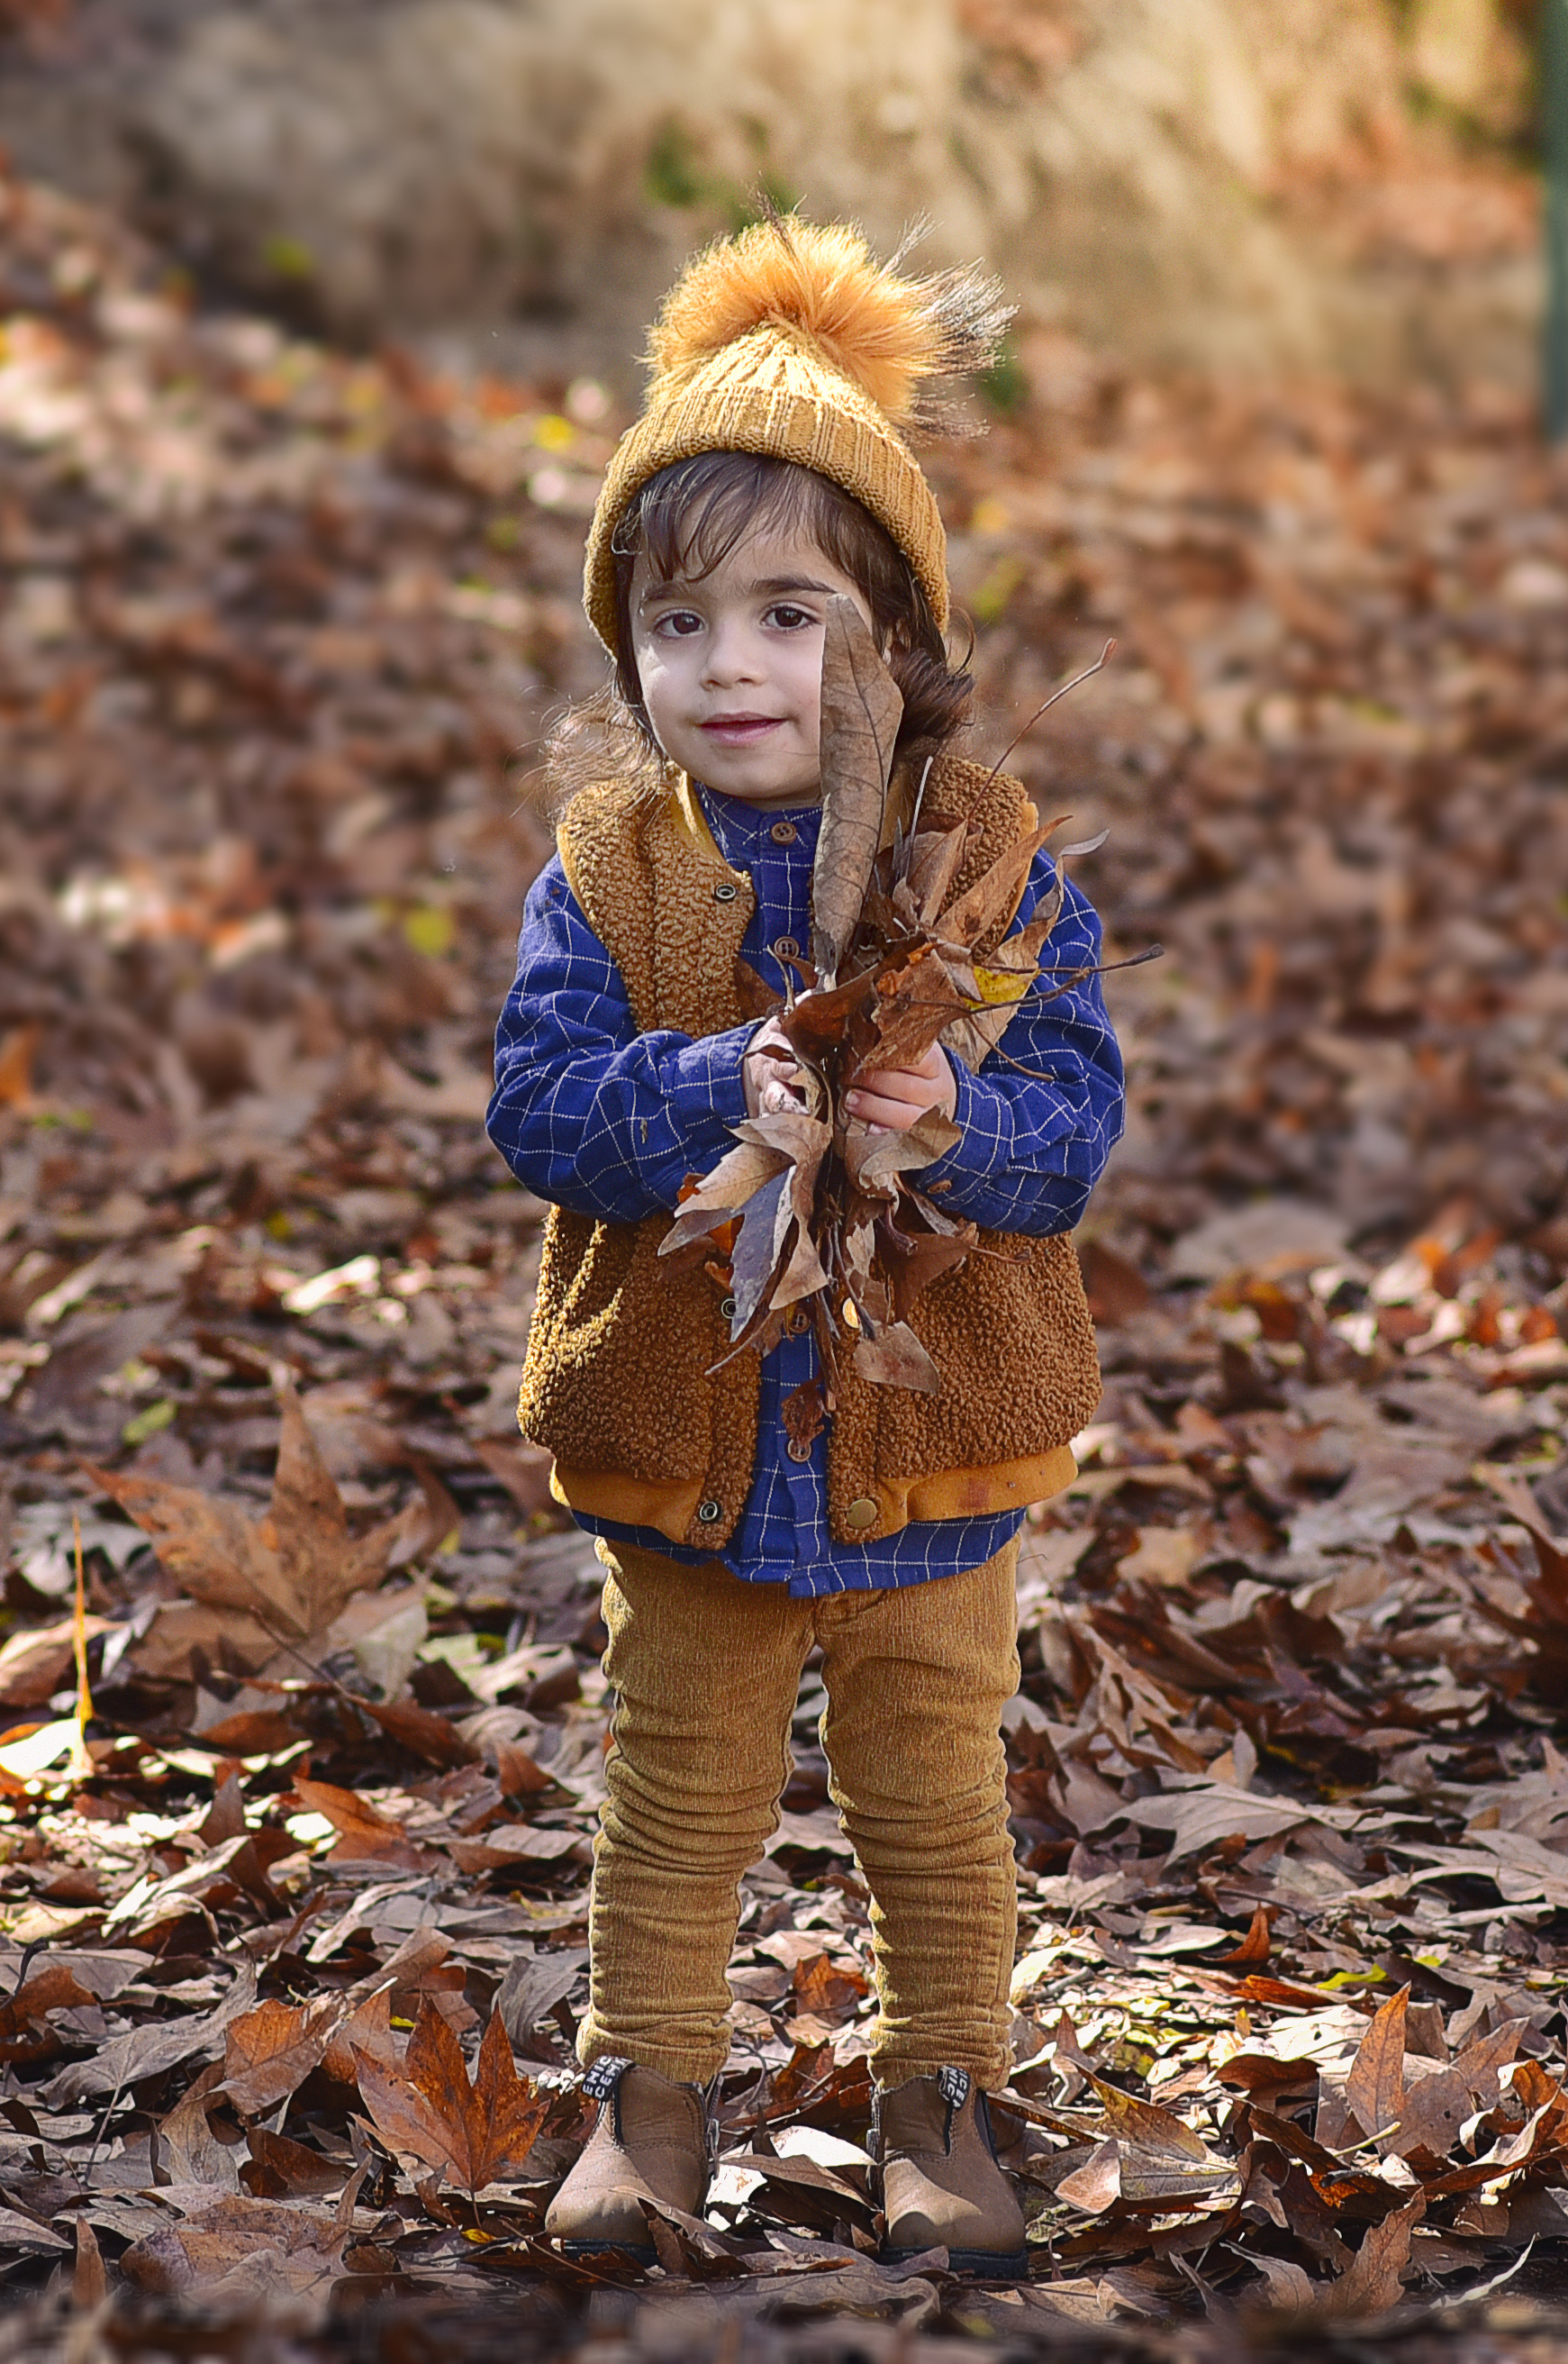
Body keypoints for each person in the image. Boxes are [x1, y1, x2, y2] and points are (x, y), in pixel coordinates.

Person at [489, 215, 1126, 2280]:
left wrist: (951, 1128)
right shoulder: (606, 868)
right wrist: (702, 1097)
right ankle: (645, 2090)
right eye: (678, 626)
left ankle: (940, 2085)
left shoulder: (996, 864)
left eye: (787, 615)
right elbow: (536, 1111)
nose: (732, 668)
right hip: (690, 1432)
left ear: (892, 640)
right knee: (676, 1775)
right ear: (630, 657)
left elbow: (1077, 1130)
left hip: (922, 1441)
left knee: (931, 1776)